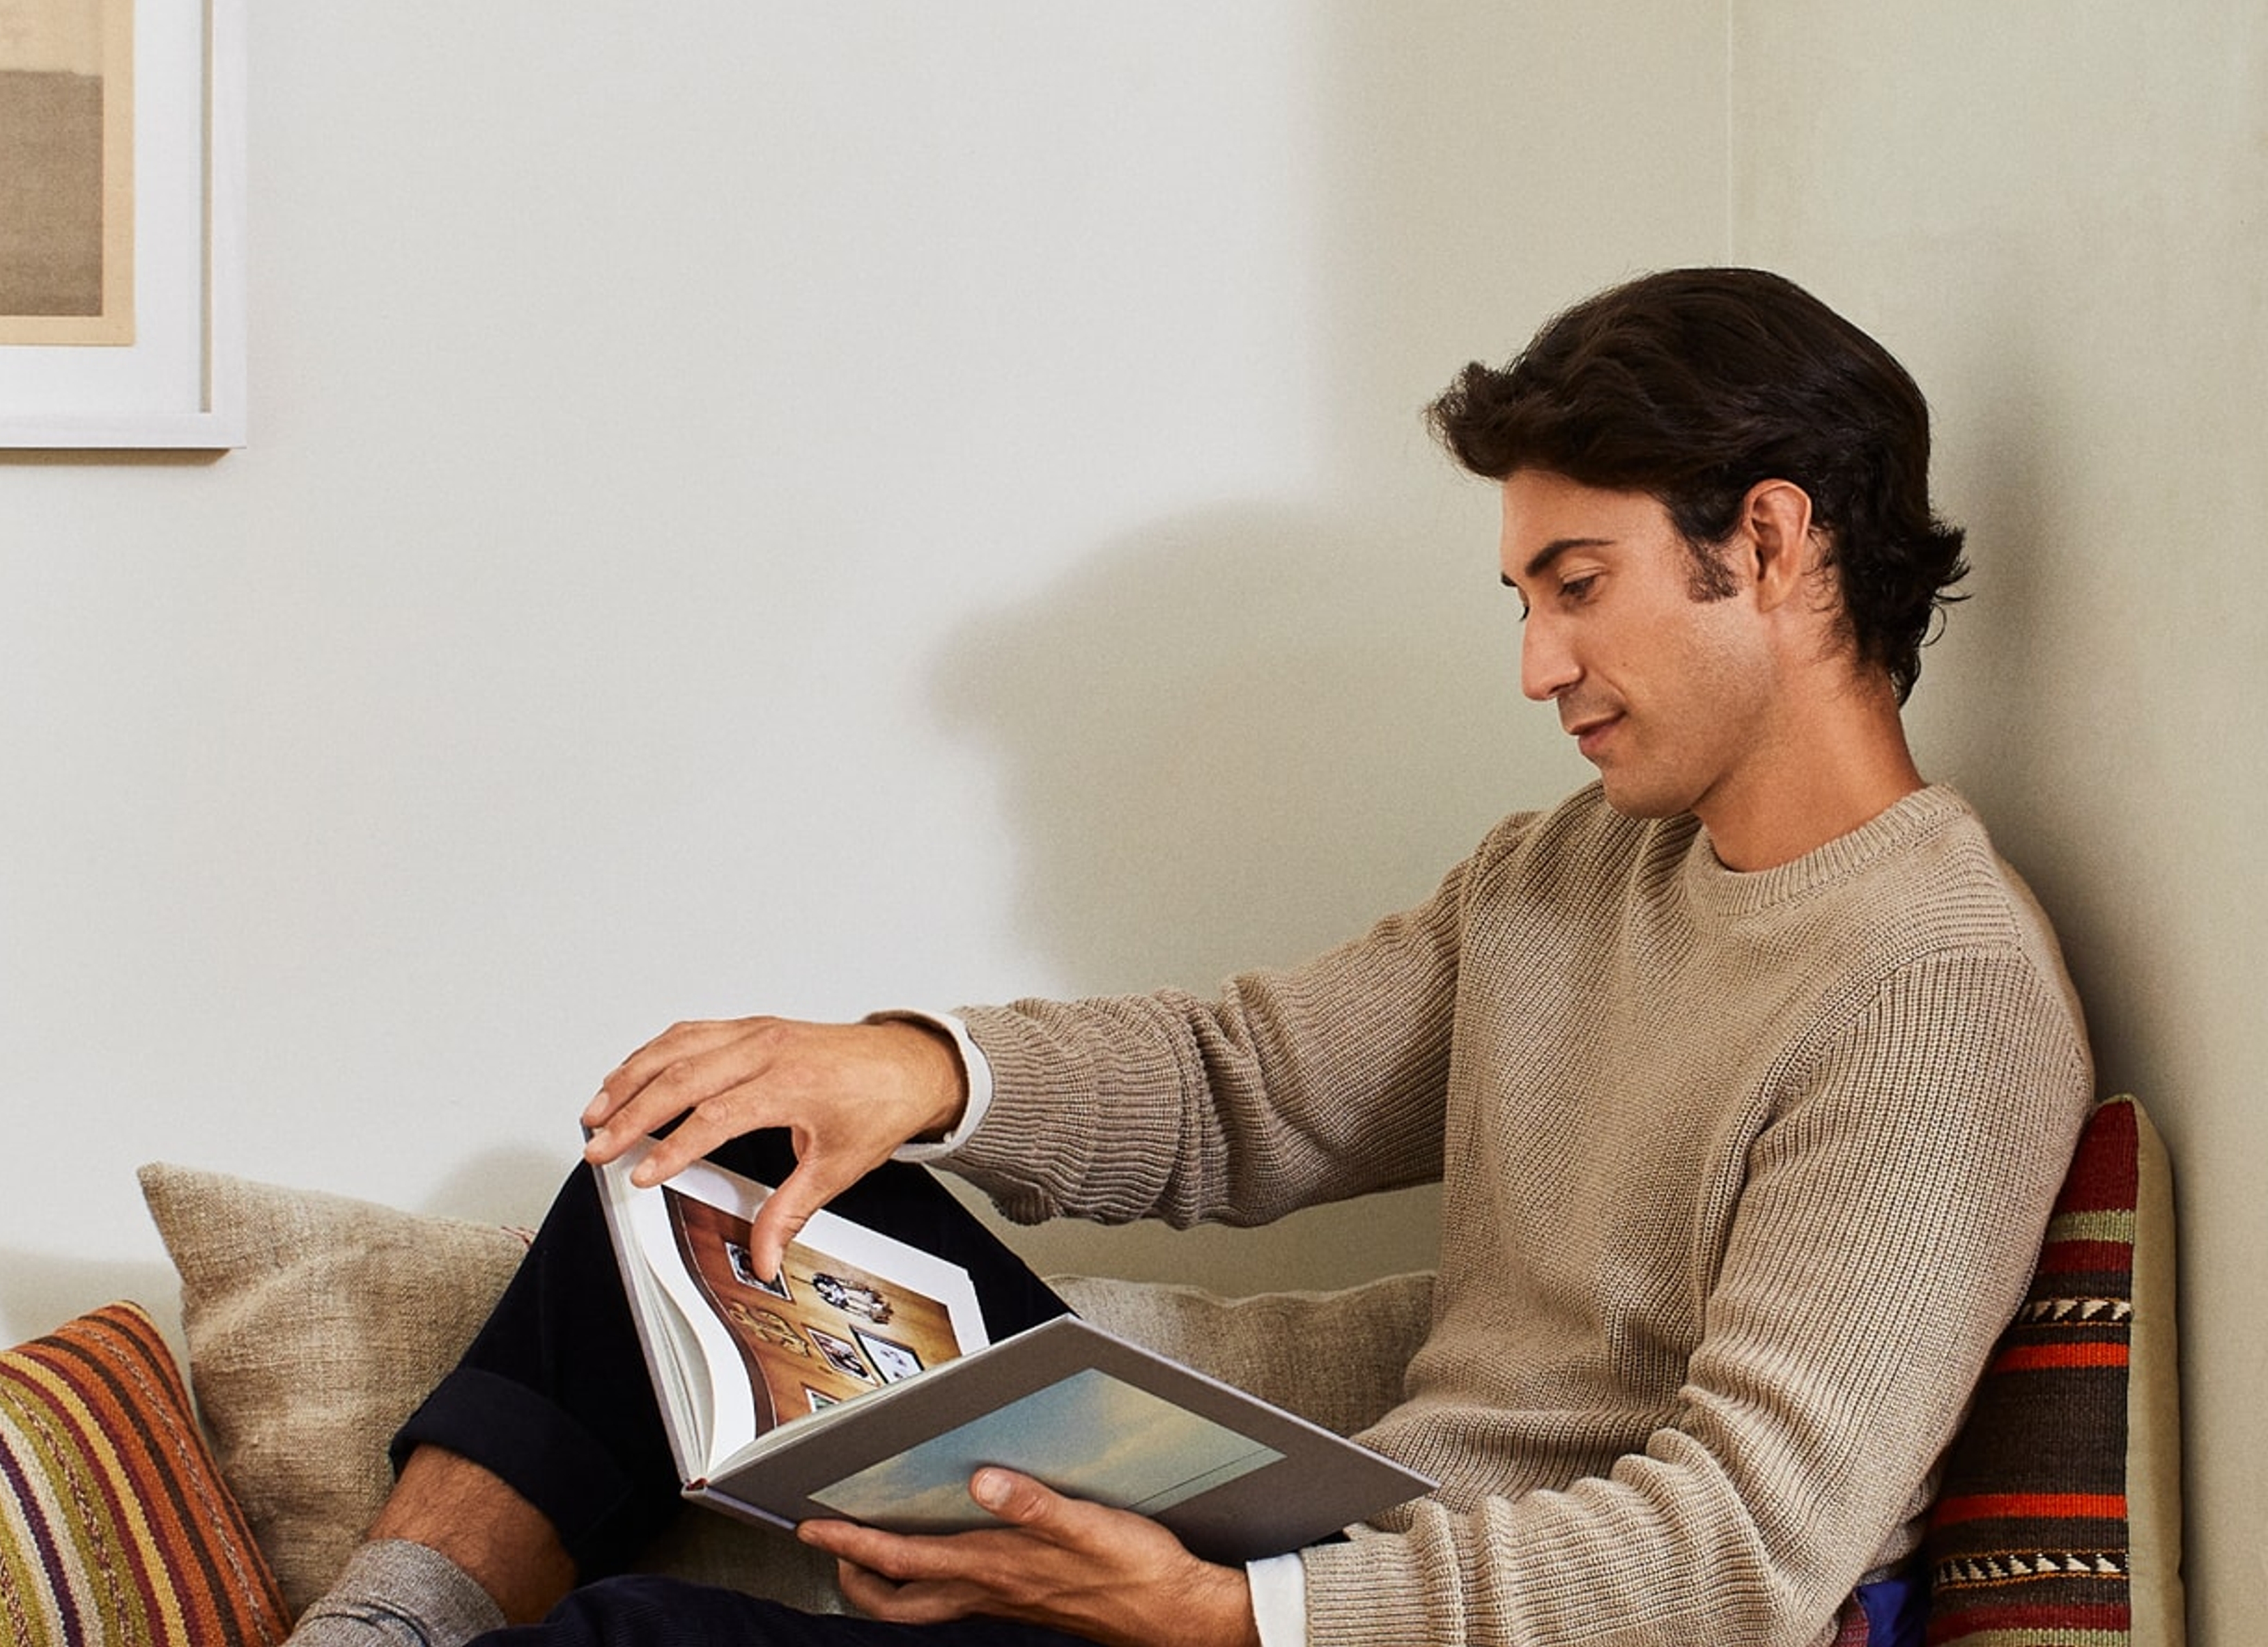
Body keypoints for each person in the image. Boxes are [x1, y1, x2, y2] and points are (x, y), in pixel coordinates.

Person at [295, 268, 2092, 1647]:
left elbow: (1746, 1544)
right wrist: (913, 1066)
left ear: (1767, 543)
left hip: (1336, 1619)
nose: (1536, 663)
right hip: (1295, 1548)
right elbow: (1253, 1088)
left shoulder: (1927, 985)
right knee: (709, 1148)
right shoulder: (1571, 873)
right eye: (1523, 600)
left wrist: (1231, 1612)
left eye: (1574, 580)